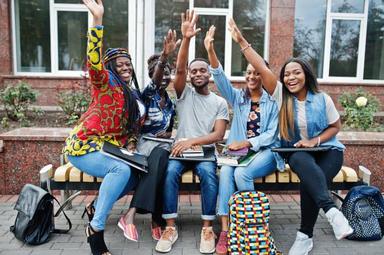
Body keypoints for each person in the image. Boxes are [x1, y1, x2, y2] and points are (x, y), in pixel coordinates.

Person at [226, 18, 353, 255]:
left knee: (312, 180)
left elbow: (335, 127)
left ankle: (305, 236)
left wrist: (314, 141)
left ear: (306, 75)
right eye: (286, 74)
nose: (290, 78)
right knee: (301, 163)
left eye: (296, 73)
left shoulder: (322, 98)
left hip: (328, 151)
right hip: (298, 153)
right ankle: (331, 213)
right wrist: (242, 42)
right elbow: (262, 68)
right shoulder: (281, 96)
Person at [63, 1, 145, 254]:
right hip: (84, 146)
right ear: (111, 68)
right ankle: (95, 229)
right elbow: (94, 62)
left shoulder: (132, 95)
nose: (125, 67)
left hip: (109, 149)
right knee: (119, 170)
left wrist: (131, 144)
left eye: (128, 63)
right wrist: (97, 21)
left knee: (135, 174)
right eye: (119, 64)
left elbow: (130, 129)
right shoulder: (105, 82)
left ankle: (96, 206)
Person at [203, 24, 283, 255]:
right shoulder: (238, 98)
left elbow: (272, 134)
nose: (252, 76)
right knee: (227, 172)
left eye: (257, 72)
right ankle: (227, 231)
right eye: (248, 72)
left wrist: (248, 143)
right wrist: (210, 50)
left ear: (264, 75)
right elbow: (219, 78)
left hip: (266, 152)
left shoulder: (274, 101)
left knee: (241, 173)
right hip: (237, 153)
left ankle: (255, 225)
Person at [155, 10, 229, 254]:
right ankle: (170, 226)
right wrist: (186, 39)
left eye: (202, 70)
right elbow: (178, 71)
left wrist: (191, 142)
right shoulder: (183, 93)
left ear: (209, 75)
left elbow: (218, 135)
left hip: (204, 152)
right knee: (170, 173)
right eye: (193, 71)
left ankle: (207, 227)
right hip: (179, 151)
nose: (197, 74)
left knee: (210, 176)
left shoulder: (219, 102)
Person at [117, 30, 180, 242]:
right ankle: (150, 219)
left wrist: (169, 133)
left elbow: (170, 127)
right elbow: (156, 79)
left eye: (166, 74)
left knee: (162, 165)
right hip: (146, 147)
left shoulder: (170, 103)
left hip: (162, 146)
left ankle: (142, 216)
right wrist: (164, 57)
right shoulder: (147, 94)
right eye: (158, 73)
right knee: (160, 161)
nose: (163, 77)